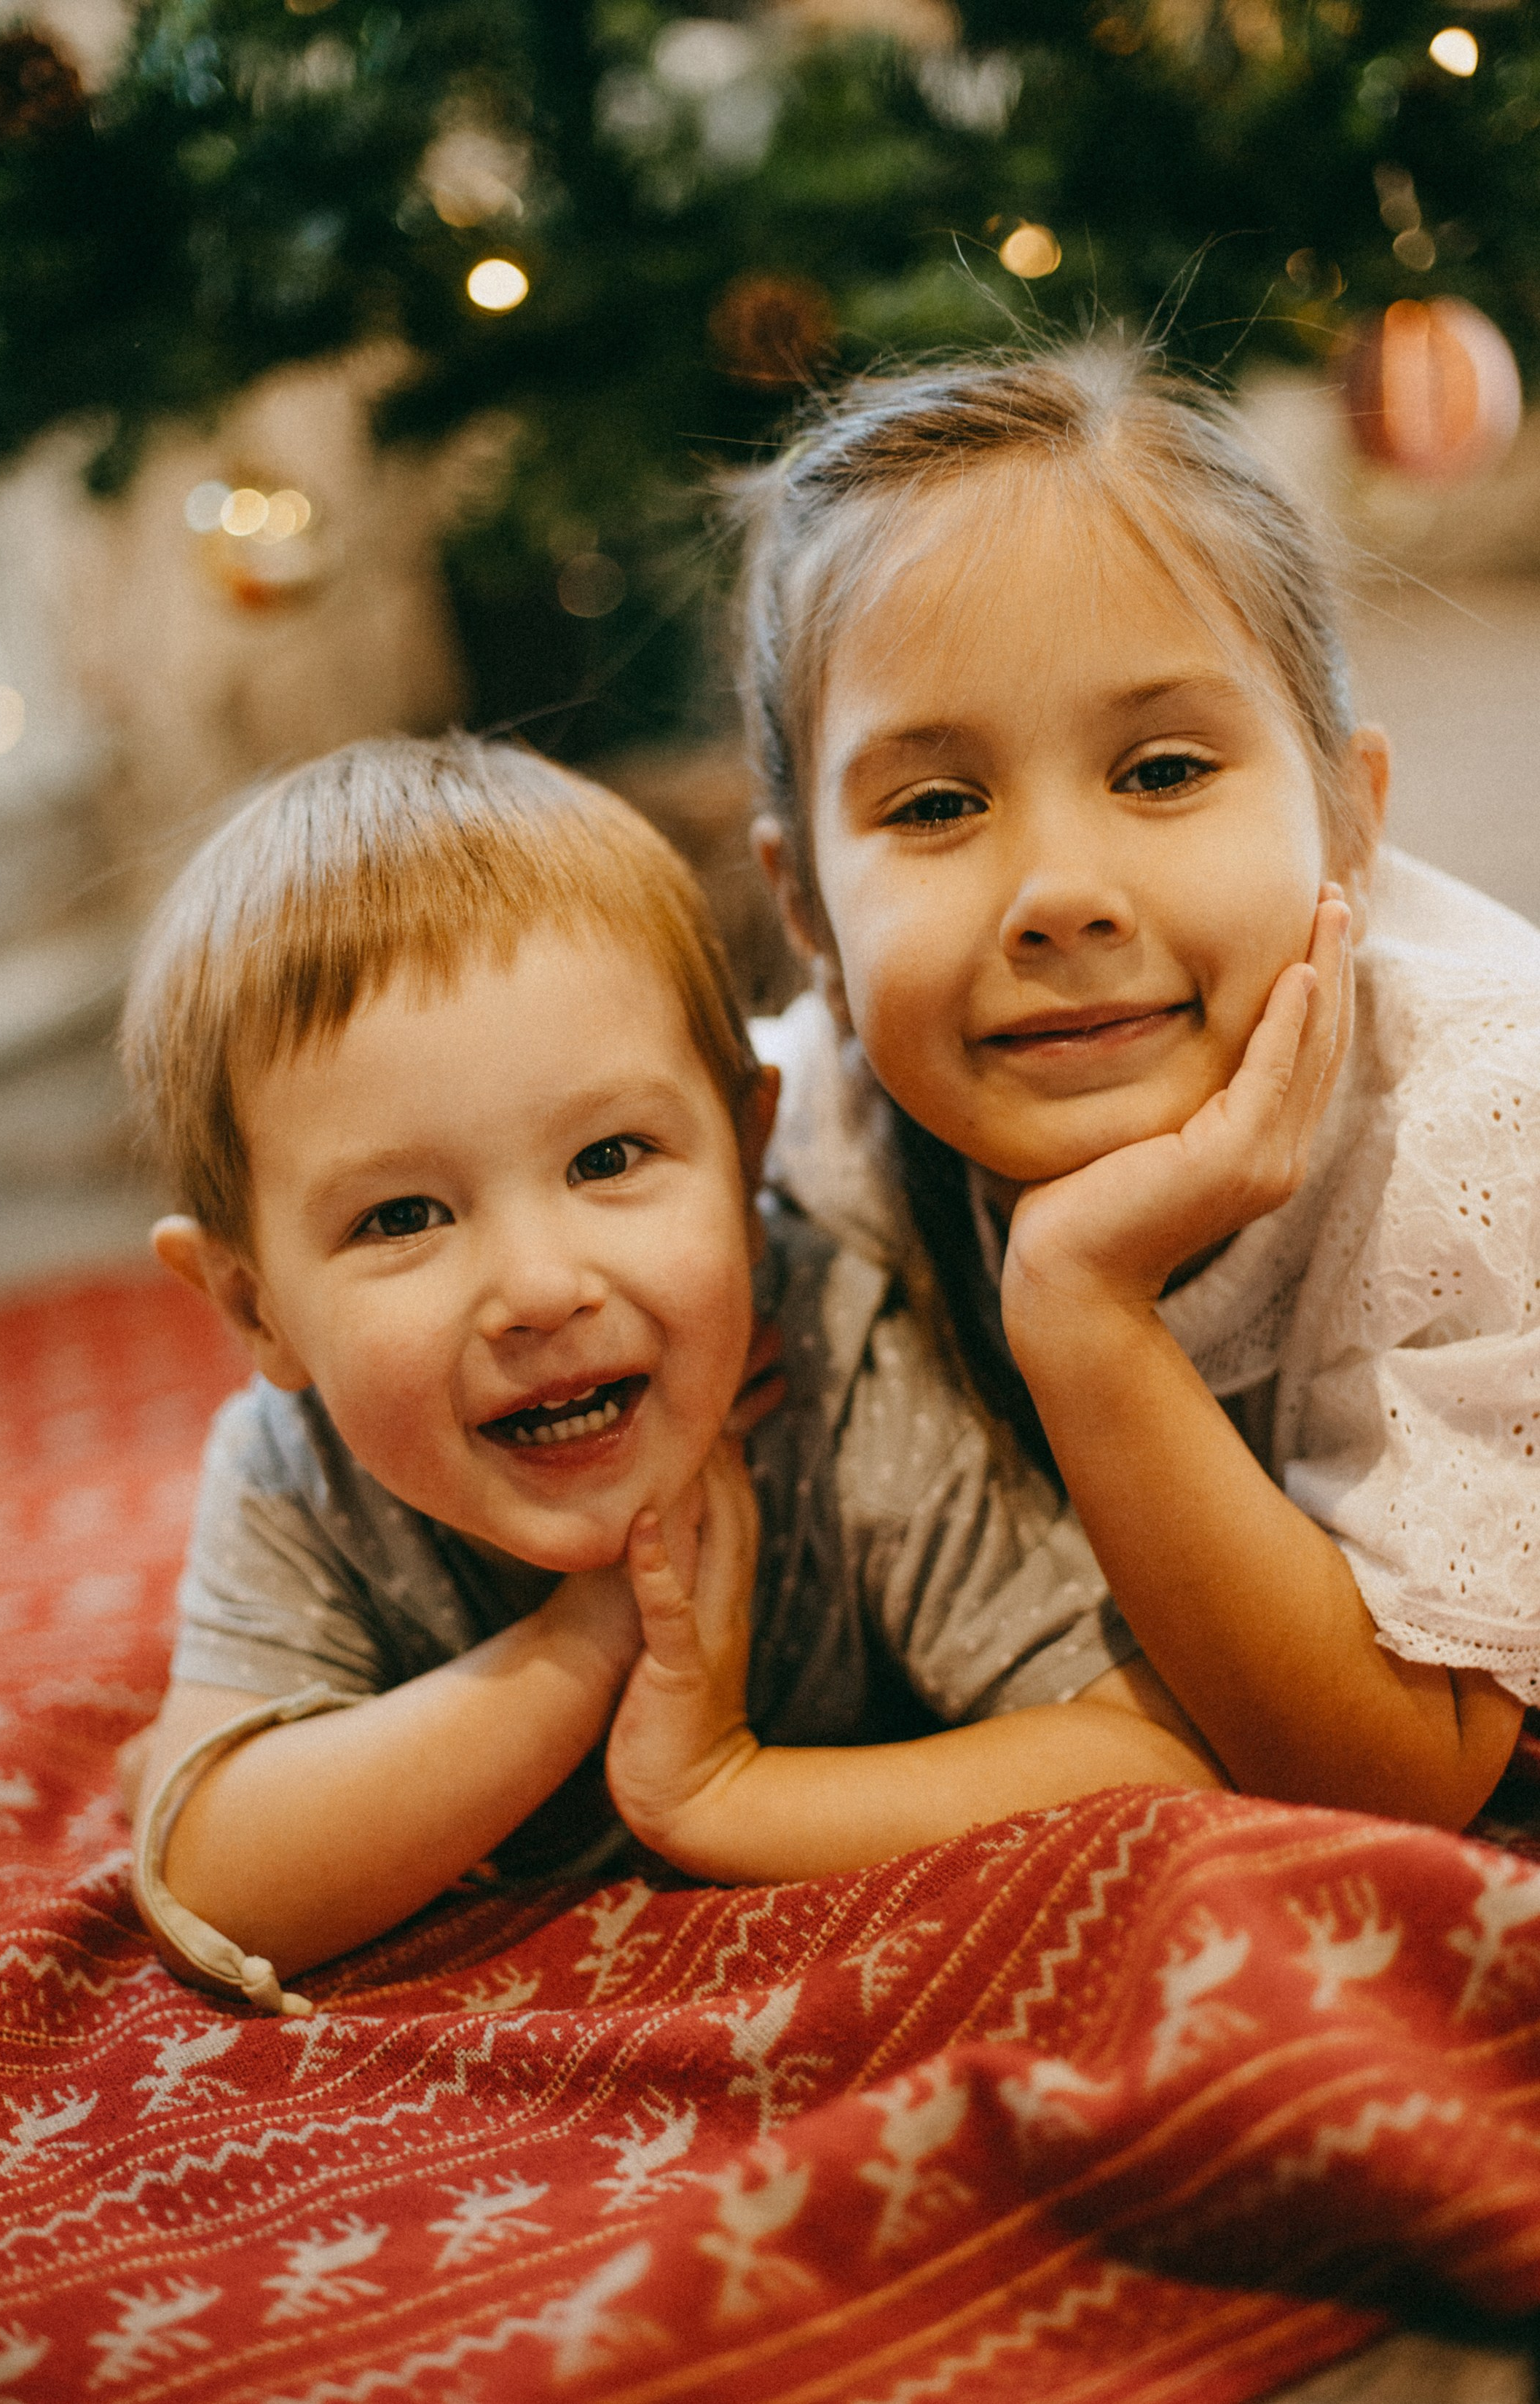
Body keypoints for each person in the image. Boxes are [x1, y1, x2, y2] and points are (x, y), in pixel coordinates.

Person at [605, 344, 1540, 1879]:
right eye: (932, 806)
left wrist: (1077, 1302)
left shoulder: (1470, 1129)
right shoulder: (833, 1102)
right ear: (809, 920)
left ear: (1350, 823)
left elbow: (1402, 1777)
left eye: (1161, 769)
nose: (1056, 895)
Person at [122, 734, 1211, 2012]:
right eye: (403, 1218)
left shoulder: (835, 1365)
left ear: (749, 1159)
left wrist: (725, 1791)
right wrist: (589, 1644)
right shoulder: (294, 1467)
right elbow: (205, 1881)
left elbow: (1146, 1758)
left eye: (609, 1159)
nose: (538, 1288)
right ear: (258, 1309)